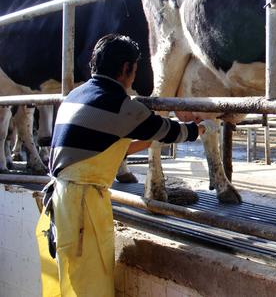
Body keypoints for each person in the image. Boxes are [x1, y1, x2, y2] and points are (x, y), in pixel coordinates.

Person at [37, 34, 209, 297]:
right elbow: (169, 131)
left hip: (62, 200)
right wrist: (198, 129)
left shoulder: (75, 95)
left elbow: (111, 148)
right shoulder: (120, 105)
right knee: (88, 284)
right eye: (135, 71)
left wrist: (149, 141)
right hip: (83, 206)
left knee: (67, 281)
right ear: (127, 69)